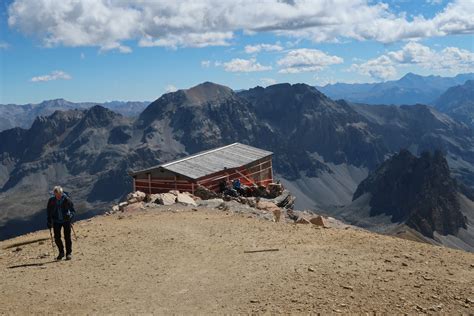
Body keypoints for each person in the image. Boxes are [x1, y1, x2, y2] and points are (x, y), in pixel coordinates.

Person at [47, 186, 75, 260]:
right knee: (57, 238)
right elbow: (49, 211)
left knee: (67, 237)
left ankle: (68, 253)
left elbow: (72, 210)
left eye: (59, 194)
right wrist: (49, 221)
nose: (58, 196)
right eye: (57, 195)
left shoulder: (66, 200)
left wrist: (70, 216)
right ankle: (61, 252)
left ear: (62, 193)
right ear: (54, 194)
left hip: (66, 221)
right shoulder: (51, 200)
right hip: (56, 221)